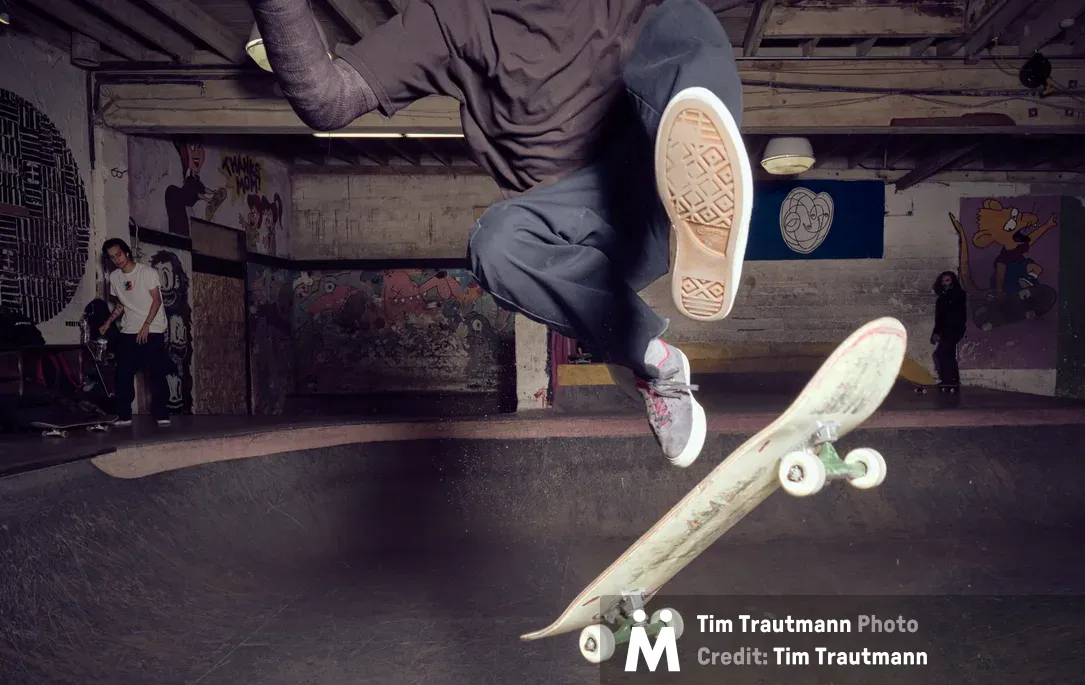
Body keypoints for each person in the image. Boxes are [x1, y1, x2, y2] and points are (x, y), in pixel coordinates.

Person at [246, 0, 753, 467]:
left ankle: (702, 213)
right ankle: (652, 363)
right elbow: (327, 98)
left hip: (649, 191)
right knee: (495, 242)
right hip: (570, 234)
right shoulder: (448, 20)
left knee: (682, 19)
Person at [98, 238, 172, 426]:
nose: (117, 259)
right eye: (112, 257)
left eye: (119, 254)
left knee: (156, 372)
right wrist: (109, 321)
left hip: (152, 328)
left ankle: (161, 413)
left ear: (126, 252)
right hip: (129, 330)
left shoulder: (147, 273)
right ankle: (124, 415)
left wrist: (146, 325)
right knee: (123, 372)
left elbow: (156, 300)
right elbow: (122, 303)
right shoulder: (115, 277)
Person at [931, 271, 967, 390]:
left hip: (954, 329)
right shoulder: (942, 299)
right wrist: (936, 332)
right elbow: (939, 318)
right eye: (943, 280)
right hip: (946, 330)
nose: (944, 283)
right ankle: (952, 380)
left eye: (947, 280)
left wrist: (957, 329)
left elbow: (958, 314)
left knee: (941, 353)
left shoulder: (958, 295)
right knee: (948, 354)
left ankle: (949, 379)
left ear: (953, 282)